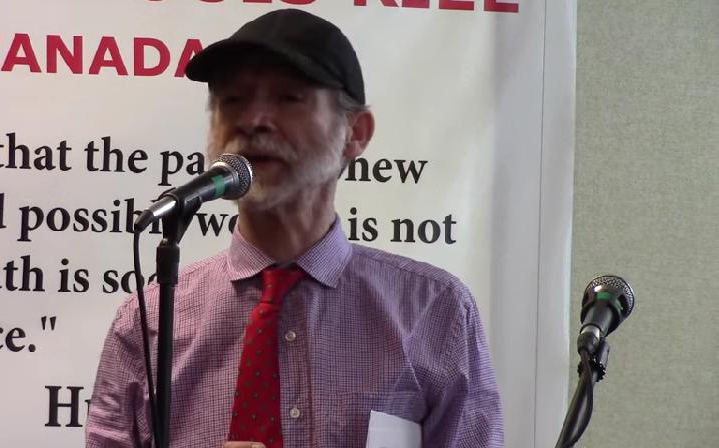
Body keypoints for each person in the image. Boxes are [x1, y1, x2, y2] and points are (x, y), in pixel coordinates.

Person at [86, 8, 503, 448]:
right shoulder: (150, 321)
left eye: (288, 98)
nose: (253, 120)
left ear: (355, 133)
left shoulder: (434, 312)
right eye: (233, 100)